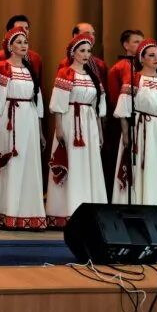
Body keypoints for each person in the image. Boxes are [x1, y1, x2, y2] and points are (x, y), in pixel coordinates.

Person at [0, 27, 46, 229]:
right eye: (18, 42)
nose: (23, 45)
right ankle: (4, 210)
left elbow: (37, 100)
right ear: (10, 46)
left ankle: (26, 213)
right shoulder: (2, 67)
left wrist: (41, 131)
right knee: (10, 163)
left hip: (29, 120)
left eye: (25, 42)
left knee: (28, 163)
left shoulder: (29, 69)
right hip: (9, 120)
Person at [112, 39, 157, 225]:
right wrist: (126, 135)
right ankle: (139, 210)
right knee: (143, 168)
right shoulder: (135, 79)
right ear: (141, 58)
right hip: (143, 129)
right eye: (151, 55)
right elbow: (124, 110)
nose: (156, 58)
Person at [45, 33, 108, 227]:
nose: (86, 54)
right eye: (82, 51)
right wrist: (59, 128)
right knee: (72, 163)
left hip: (88, 124)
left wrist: (99, 130)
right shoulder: (66, 73)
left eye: (89, 51)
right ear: (73, 53)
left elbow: (98, 107)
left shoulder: (93, 77)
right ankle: (66, 210)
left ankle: (90, 208)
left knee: (88, 164)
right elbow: (58, 104)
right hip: (71, 122)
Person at [103, 29, 145, 194]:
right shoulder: (118, 68)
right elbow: (114, 99)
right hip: (123, 122)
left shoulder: (145, 66)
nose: (140, 44)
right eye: (136, 41)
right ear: (126, 45)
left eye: (141, 41)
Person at [0, 15, 44, 83]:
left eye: (26, 28)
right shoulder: (0, 56)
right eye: (20, 28)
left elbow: (39, 86)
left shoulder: (36, 58)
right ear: (10, 32)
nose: (24, 31)